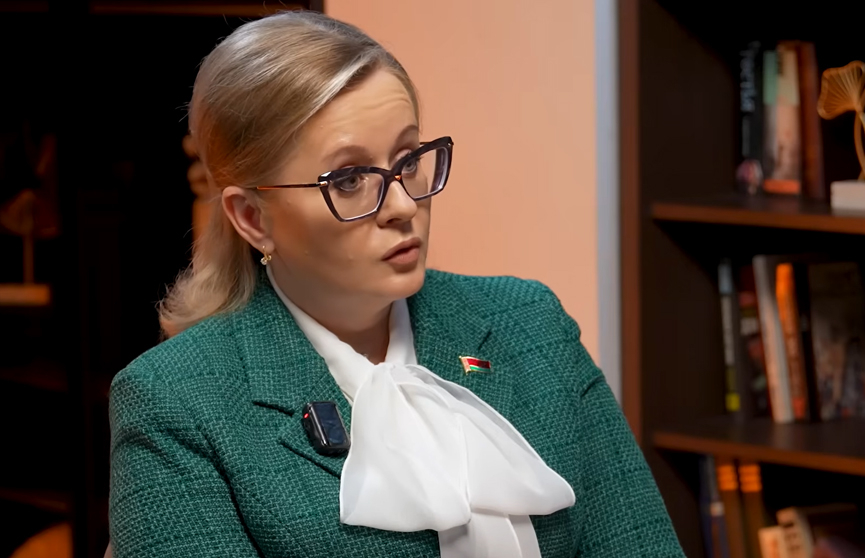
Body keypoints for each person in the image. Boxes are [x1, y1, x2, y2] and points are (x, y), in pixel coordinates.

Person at [107, 10, 685, 558]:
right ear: (253, 218)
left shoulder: (529, 323)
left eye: (408, 161)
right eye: (349, 179)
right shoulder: (176, 402)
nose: (405, 205)